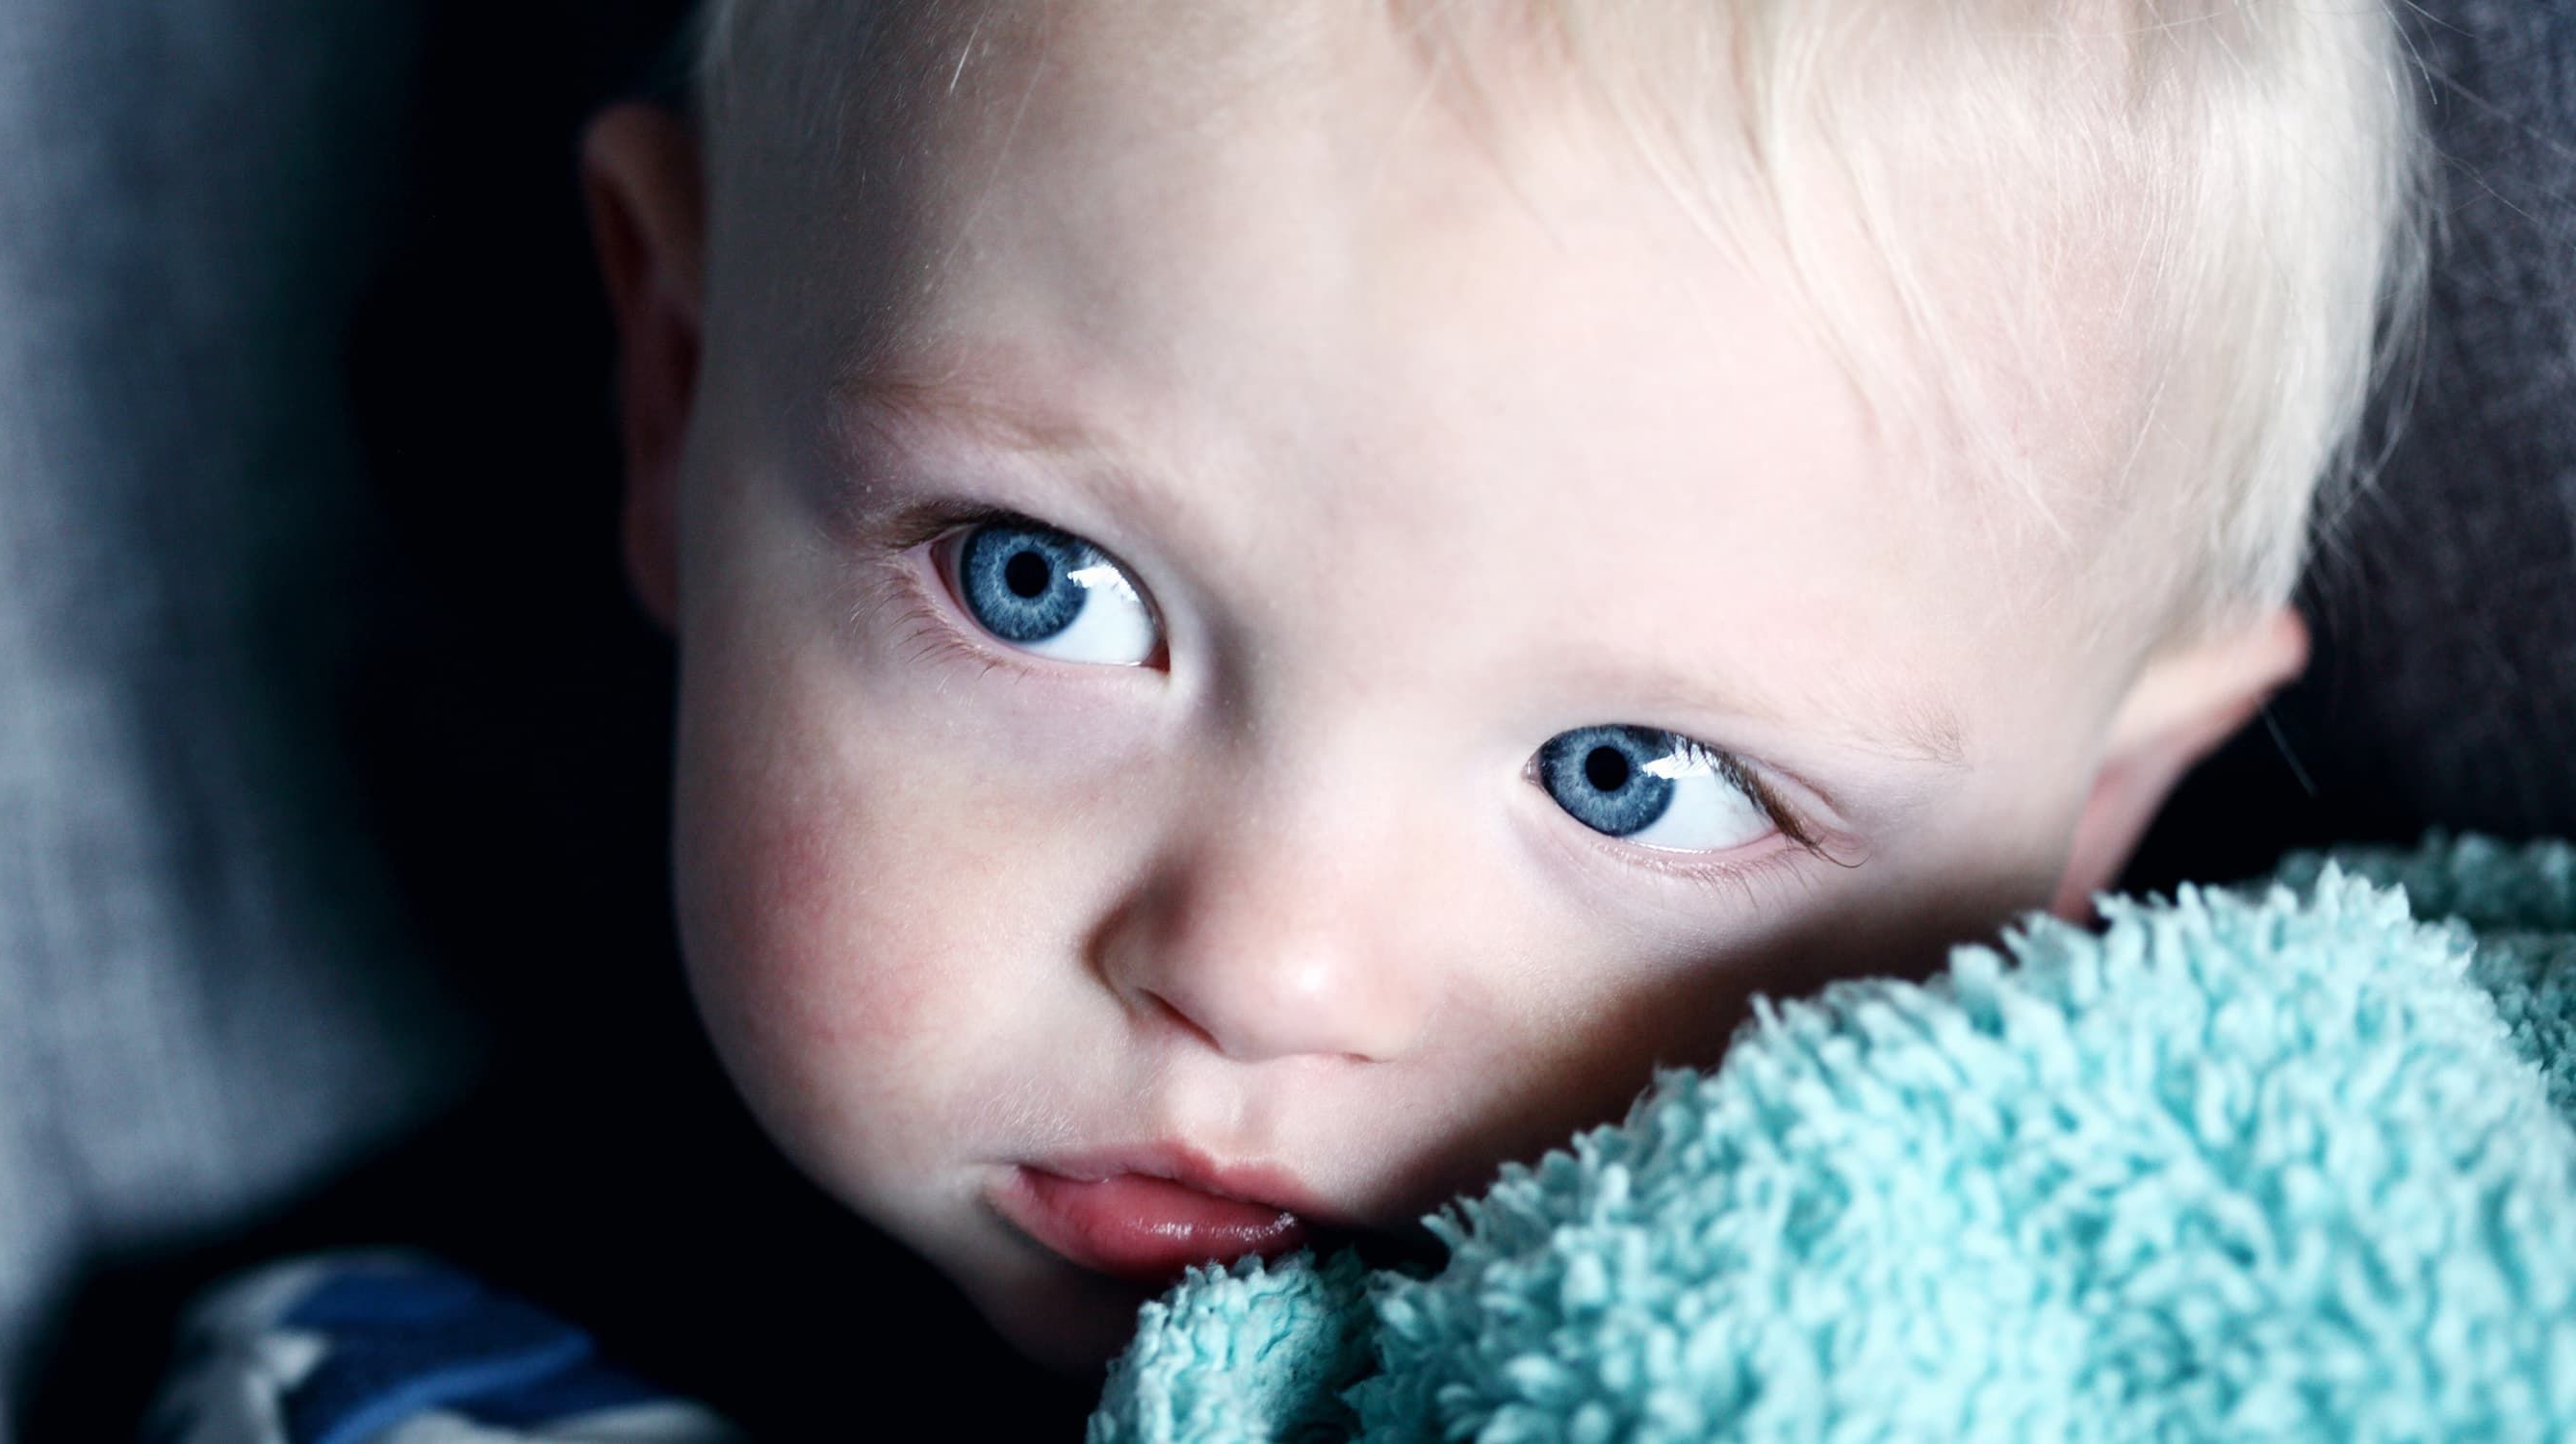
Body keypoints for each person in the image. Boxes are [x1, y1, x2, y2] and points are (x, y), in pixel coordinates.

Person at [152, 1, 2427, 1436]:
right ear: (674, 388)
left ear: (2095, 816)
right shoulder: (430, 1389)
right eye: (1041, 587)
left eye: (1633, 777)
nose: (1269, 967)